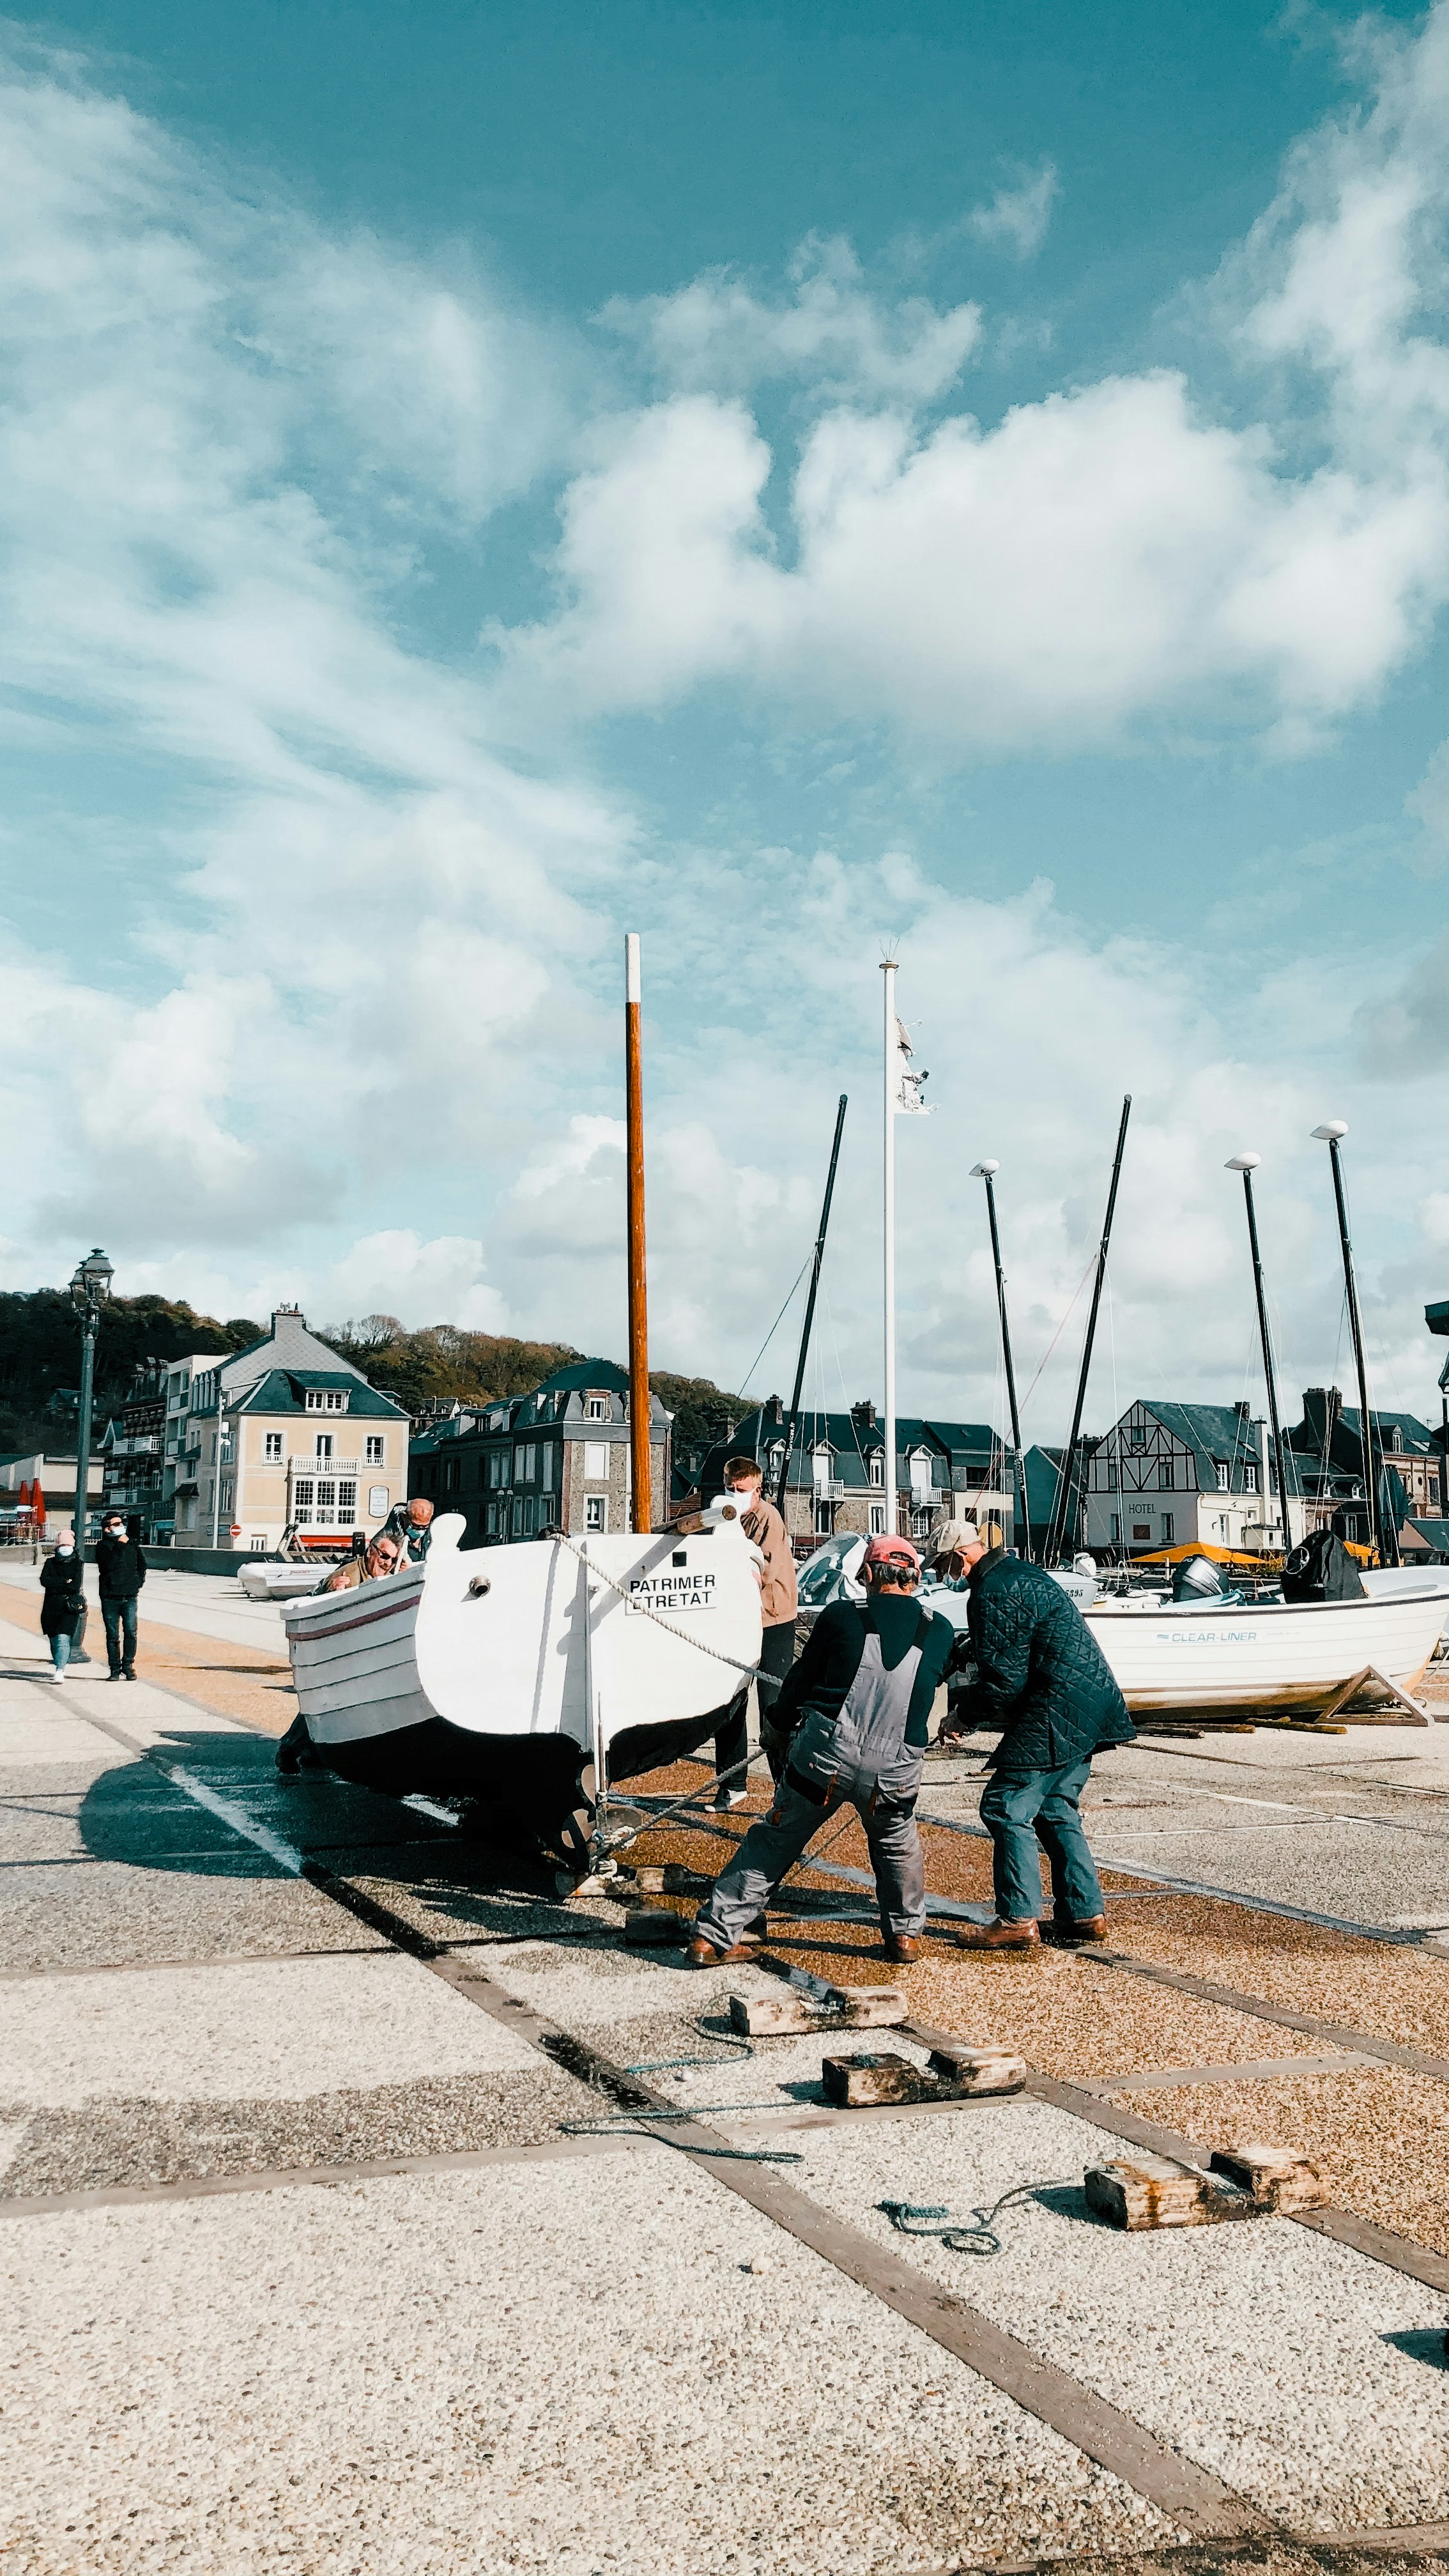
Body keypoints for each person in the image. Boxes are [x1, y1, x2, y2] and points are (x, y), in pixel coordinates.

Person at [686, 1531, 962, 1968]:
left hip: (826, 1758)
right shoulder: (940, 1629)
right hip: (895, 1767)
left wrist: (777, 1727)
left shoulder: (841, 1616)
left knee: (776, 1838)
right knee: (898, 1845)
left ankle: (713, 1937)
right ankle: (905, 1936)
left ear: (868, 1574)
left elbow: (800, 1682)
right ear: (913, 1578)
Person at [947, 1526, 1135, 1952]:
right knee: (1055, 1808)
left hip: (1056, 1706)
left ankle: (1017, 1918)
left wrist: (962, 1716)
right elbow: (1017, 1638)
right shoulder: (1020, 1572)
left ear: (961, 1557)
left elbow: (1004, 1681)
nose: (945, 1575)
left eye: (945, 1565)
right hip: (1092, 1700)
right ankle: (1084, 1914)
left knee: (1004, 1806)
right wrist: (967, 1650)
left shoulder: (991, 1590)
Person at [673, 1454, 799, 1809]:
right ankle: (732, 1784)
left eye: (742, 1490)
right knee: (731, 1702)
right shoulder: (721, 1515)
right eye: (730, 1488)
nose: (735, 1495)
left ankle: (786, 1789)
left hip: (773, 1619)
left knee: (774, 1706)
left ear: (758, 1490)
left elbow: (765, 1569)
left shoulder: (769, 1519)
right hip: (738, 1620)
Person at [95, 1511, 146, 1681]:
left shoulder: (132, 1544)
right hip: (110, 1597)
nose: (121, 1526)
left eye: (121, 1523)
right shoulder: (103, 1546)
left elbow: (142, 1565)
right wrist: (120, 1545)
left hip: (129, 1596)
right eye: (116, 1524)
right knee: (113, 1635)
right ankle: (115, 1669)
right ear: (107, 1529)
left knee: (131, 1632)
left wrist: (137, 1583)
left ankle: (128, 1666)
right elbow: (108, 1565)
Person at [38, 1529, 84, 1683]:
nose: (65, 1548)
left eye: (68, 1545)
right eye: (62, 1545)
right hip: (51, 1607)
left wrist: (57, 1584)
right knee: (54, 1639)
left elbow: (75, 1586)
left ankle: (60, 1670)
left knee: (63, 1639)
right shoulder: (50, 1563)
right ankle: (58, 1661)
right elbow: (45, 1581)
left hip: (69, 1607)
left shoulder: (78, 1564)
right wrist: (65, 1582)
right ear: (57, 1547)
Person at [318, 1532, 401, 1593]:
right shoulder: (349, 1578)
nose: (389, 1563)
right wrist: (329, 1590)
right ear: (370, 1552)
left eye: (394, 1560)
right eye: (385, 1556)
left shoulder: (391, 1579)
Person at [382, 1497, 434, 1564]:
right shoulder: (388, 1538)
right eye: (416, 1526)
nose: (420, 1530)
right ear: (404, 1517)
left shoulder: (433, 1537)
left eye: (425, 1526)